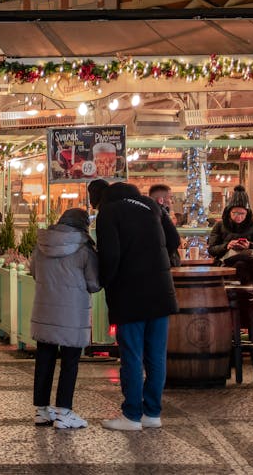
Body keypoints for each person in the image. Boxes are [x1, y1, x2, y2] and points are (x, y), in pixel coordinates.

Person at [95, 182, 178, 431]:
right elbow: (173, 239)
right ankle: (152, 413)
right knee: (156, 355)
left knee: (131, 354)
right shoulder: (150, 205)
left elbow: (109, 255)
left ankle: (131, 415)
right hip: (161, 291)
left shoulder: (109, 212)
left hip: (130, 292)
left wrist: (105, 281)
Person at [30, 208, 101, 430]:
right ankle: (64, 412)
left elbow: (33, 272)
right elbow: (94, 283)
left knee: (44, 360)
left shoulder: (41, 245)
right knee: (69, 362)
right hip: (72, 313)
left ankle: (41, 411)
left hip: (44, 311)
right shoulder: (84, 249)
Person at [207, 200, 253, 284]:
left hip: (250, 265)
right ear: (229, 212)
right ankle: (243, 293)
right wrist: (227, 246)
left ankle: (237, 292)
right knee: (240, 266)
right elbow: (212, 249)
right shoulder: (220, 225)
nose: (238, 217)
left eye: (242, 214)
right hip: (226, 264)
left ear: (247, 213)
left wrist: (249, 245)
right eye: (235, 213)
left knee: (241, 265)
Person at [146, 184, 182, 267]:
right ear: (160, 200)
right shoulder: (161, 213)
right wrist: (164, 255)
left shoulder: (143, 213)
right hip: (164, 262)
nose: (171, 201)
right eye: (170, 198)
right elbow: (174, 239)